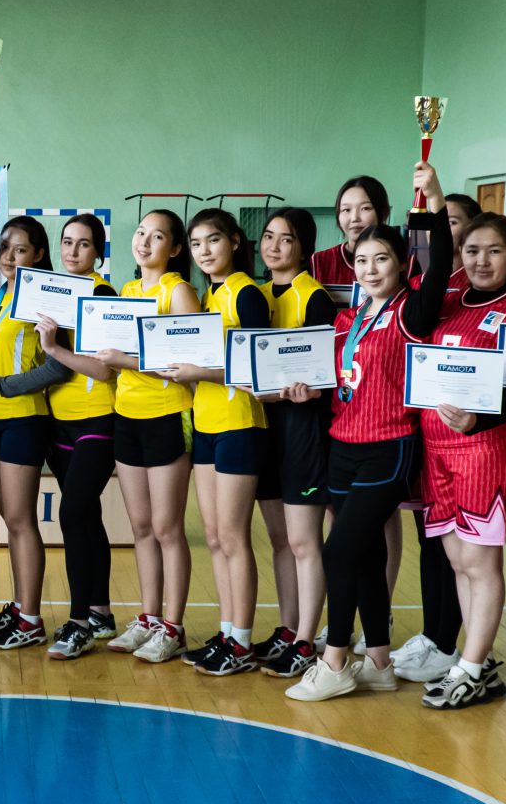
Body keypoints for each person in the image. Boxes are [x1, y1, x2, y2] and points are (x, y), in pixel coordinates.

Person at [291, 163, 453, 702]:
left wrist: (433, 203)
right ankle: (380, 662)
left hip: (389, 448)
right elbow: (339, 377)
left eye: (382, 258)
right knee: (359, 555)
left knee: (338, 551)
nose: (370, 268)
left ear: (402, 263)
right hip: (342, 445)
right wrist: (307, 389)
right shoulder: (349, 319)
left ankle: (336, 660)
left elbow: (438, 264)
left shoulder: (412, 311)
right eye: (362, 260)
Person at [407, 212, 506, 708]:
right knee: (458, 561)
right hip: (436, 451)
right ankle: (478, 661)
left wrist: (478, 420)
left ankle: (472, 667)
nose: (481, 260)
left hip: (483, 452)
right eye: (472, 250)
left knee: (479, 563)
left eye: (494, 251)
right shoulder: (447, 301)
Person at [97, 209, 202, 664]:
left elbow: (185, 367)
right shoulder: (128, 291)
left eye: (157, 236)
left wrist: (125, 361)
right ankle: (148, 617)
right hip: (127, 414)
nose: (144, 242)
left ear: (174, 249)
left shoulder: (178, 291)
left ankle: (173, 628)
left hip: (166, 416)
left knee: (166, 528)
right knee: (141, 527)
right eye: (141, 232)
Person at [170, 209, 269, 675]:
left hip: (239, 423)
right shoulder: (208, 296)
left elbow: (257, 365)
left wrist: (199, 372)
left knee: (232, 536)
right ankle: (228, 631)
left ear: (234, 242)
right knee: (213, 536)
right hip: (206, 423)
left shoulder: (247, 292)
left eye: (212, 240)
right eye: (196, 244)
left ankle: (242, 642)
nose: (204, 251)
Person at [249, 209, 335, 678]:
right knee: (280, 539)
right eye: (268, 236)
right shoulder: (254, 295)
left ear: (304, 247)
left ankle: (306, 639)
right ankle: (288, 628)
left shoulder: (315, 297)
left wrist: (308, 389)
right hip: (264, 427)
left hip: (303, 429)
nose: (274, 246)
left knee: (304, 541)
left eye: (286, 238)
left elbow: (325, 374)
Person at [31, 215, 119, 660]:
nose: (73, 251)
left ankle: (79, 622)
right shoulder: (50, 294)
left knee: (71, 513)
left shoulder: (103, 294)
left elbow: (103, 370)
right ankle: (101, 612)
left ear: (98, 252)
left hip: (98, 420)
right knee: (86, 516)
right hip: (59, 422)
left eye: (84, 244)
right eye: (67, 242)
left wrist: (54, 349)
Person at [0, 215, 58, 650]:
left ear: (38, 254)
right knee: (11, 520)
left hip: (24, 416)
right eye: (4, 247)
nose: (8, 256)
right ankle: (21, 606)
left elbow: (56, 366)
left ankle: (31, 620)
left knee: (22, 521)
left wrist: (2, 384)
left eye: (19, 249)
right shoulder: (1, 295)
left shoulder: (43, 299)